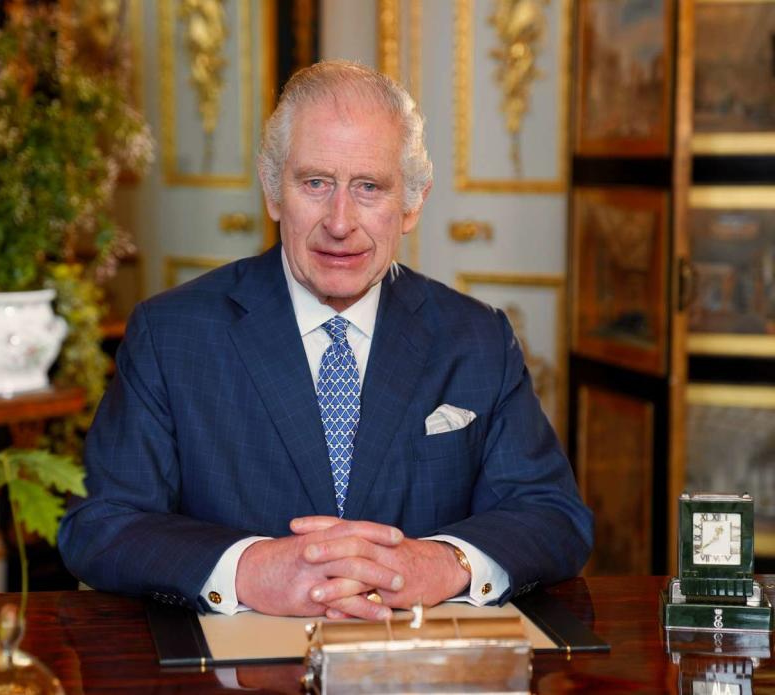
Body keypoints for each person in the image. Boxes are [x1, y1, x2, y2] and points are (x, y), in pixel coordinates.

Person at [58, 60, 592, 621]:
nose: (340, 222)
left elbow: (554, 515)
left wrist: (440, 562)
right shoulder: (171, 335)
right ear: (272, 192)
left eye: (369, 187)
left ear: (411, 204)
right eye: (315, 183)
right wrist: (250, 569)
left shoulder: (477, 337)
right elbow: (100, 524)